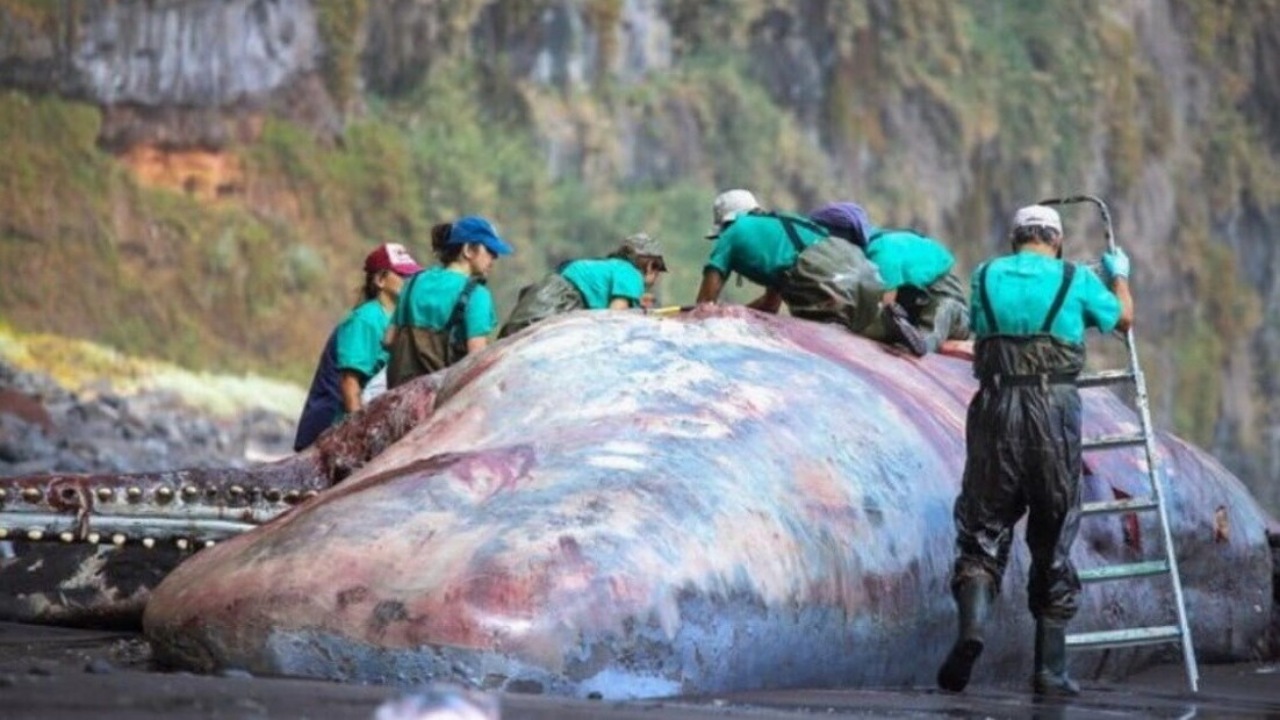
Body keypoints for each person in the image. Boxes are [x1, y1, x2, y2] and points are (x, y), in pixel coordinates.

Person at [937, 204, 1134, 696]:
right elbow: (1123, 320)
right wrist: (1119, 276)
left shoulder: (984, 277)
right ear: (1057, 241)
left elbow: (978, 328)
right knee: (1053, 530)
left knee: (982, 527)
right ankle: (1049, 670)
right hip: (1054, 412)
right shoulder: (1075, 278)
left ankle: (972, 630)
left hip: (996, 408)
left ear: (1015, 239)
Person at [694, 189, 928, 354]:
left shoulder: (733, 232)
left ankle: (876, 323)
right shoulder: (781, 227)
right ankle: (885, 323)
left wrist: (711, 312)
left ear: (725, 222)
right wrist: (737, 311)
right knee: (858, 326)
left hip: (821, 274)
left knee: (822, 323)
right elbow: (770, 305)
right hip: (858, 266)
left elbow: (705, 304)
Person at [293, 242, 423, 451]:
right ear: (380, 280)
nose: (409, 281)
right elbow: (349, 383)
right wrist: (360, 437)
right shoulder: (365, 320)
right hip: (331, 430)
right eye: (402, 275)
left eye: (411, 276)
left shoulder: (395, 319)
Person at [810, 202, 970, 353]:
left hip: (951, 310)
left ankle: (921, 343)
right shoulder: (865, 255)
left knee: (940, 312)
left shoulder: (882, 251)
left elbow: (886, 309)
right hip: (913, 308)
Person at [384, 216, 512, 388]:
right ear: (468, 250)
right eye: (490, 250)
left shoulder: (414, 282)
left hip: (398, 394)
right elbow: (477, 361)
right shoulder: (476, 294)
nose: (494, 258)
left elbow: (388, 340)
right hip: (438, 402)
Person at [498, 233, 668, 338]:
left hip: (545, 292)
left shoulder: (611, 267)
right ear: (649, 265)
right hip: (556, 301)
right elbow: (615, 317)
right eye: (658, 268)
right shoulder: (631, 274)